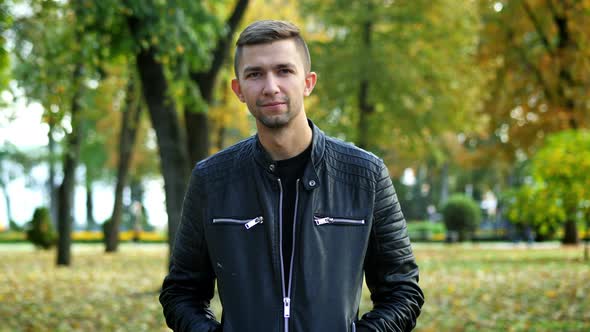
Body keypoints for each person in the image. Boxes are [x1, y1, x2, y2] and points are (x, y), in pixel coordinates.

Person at [159, 20, 424, 332]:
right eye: (255, 74)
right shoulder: (211, 179)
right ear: (239, 89)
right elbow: (180, 293)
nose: (271, 86)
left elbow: (403, 291)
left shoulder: (365, 175)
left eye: (284, 70)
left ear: (308, 82)